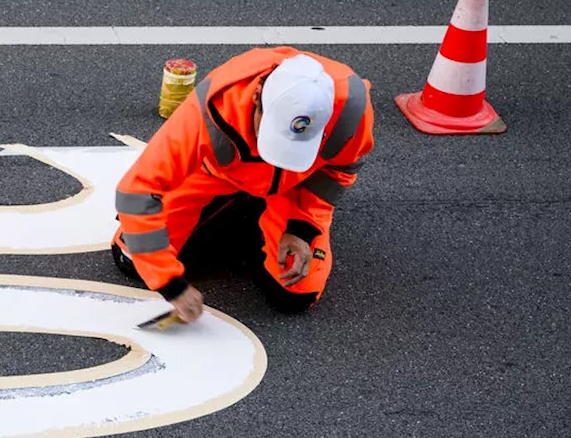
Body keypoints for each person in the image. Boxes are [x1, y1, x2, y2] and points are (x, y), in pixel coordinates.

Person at [111, 46, 375, 318]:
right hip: (215, 176)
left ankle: (252, 221)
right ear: (258, 95)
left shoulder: (351, 111)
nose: (275, 156)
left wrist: (301, 228)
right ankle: (246, 217)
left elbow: (337, 172)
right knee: (132, 260)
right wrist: (171, 284)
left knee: (295, 295)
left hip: (292, 191)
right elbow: (137, 192)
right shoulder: (210, 107)